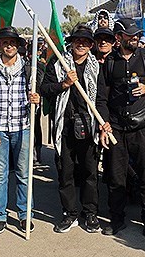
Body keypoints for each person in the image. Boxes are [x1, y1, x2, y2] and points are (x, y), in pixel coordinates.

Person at [96, 17, 145, 237]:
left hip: (143, 127)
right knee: (116, 177)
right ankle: (117, 220)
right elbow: (101, 99)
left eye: (136, 35)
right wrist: (105, 125)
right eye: (129, 35)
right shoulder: (110, 63)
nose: (134, 38)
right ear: (118, 38)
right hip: (116, 128)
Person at [0, 26, 42, 235]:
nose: (9, 45)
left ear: (18, 45)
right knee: (0, 176)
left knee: (24, 174)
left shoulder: (29, 70)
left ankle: (25, 215)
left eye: (13, 42)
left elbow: (36, 100)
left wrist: (37, 100)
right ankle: (0, 216)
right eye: (5, 42)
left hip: (22, 128)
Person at [40, 24, 101, 233]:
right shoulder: (58, 63)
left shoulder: (97, 66)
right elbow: (45, 89)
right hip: (64, 126)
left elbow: (100, 98)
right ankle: (69, 213)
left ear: (91, 45)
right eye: (77, 40)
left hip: (89, 125)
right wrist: (64, 84)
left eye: (85, 41)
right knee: (66, 172)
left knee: (89, 172)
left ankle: (90, 213)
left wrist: (103, 122)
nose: (81, 44)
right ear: (71, 42)